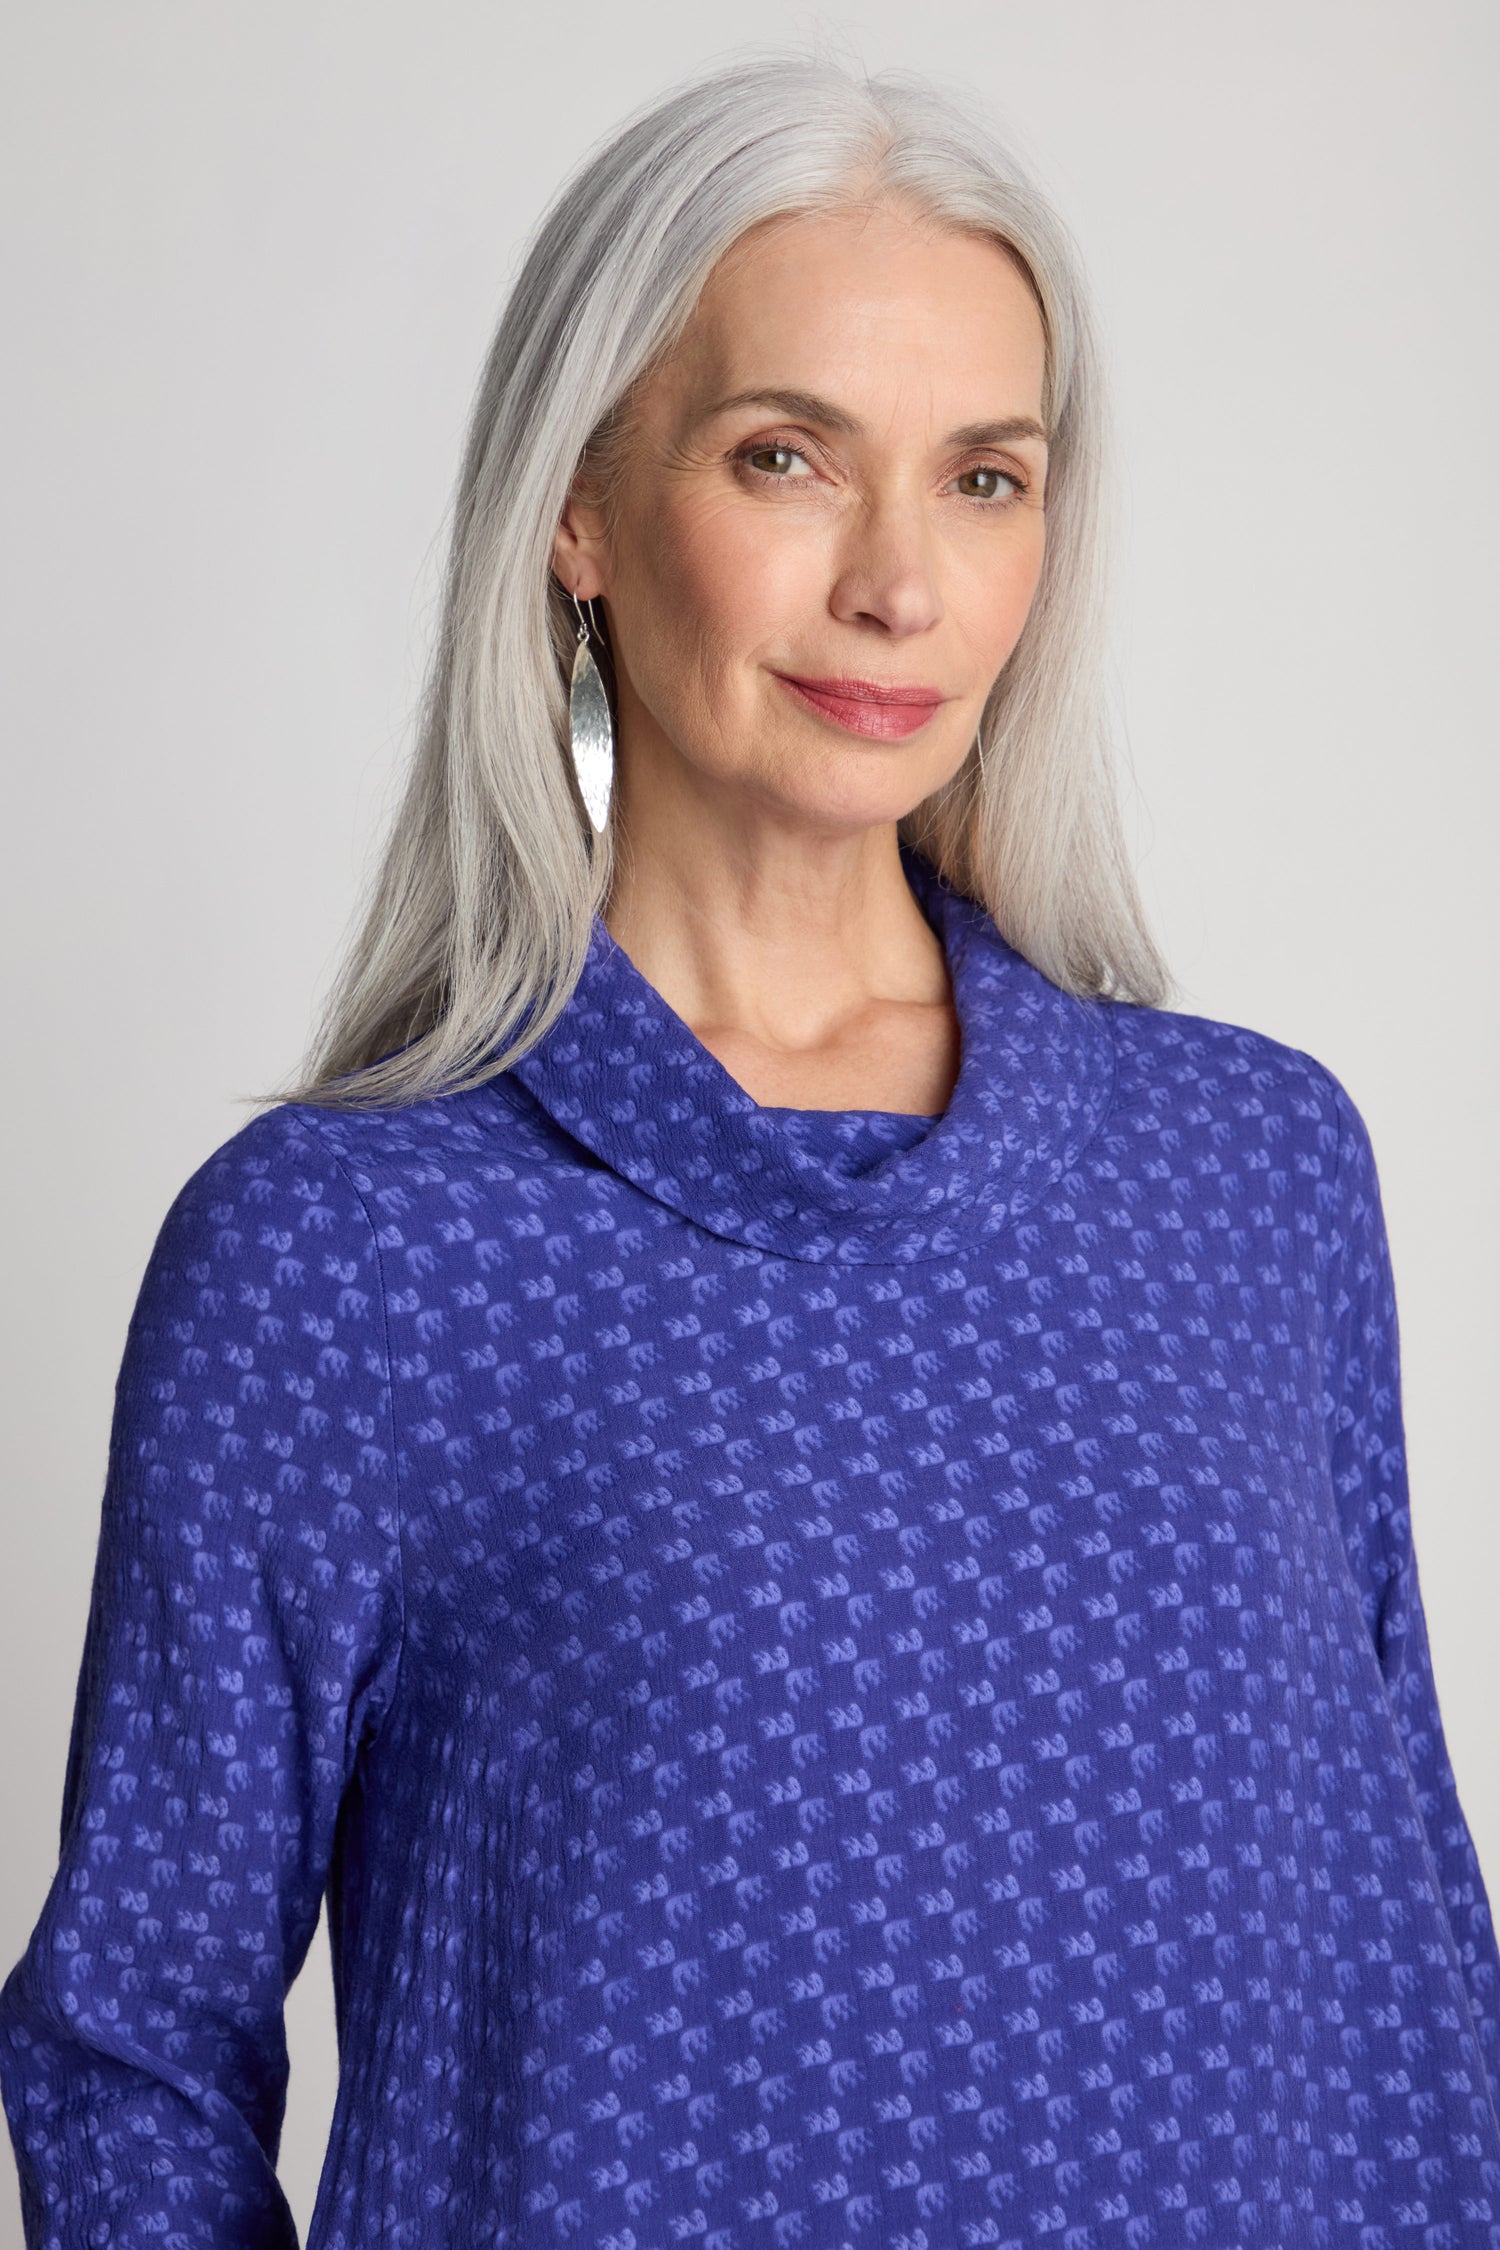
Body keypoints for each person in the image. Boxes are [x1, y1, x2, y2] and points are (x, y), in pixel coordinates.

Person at [2, 45, 1495, 2250]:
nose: (902, 584)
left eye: (985, 478)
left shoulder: (1253, 1175)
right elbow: (131, 2049)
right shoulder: (345, 1254)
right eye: (787, 455)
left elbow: (1401, 1986)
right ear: (579, 513)